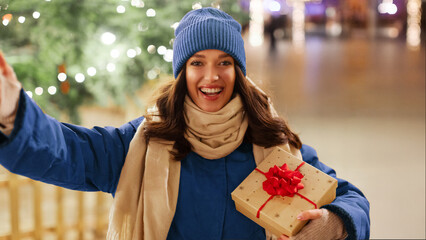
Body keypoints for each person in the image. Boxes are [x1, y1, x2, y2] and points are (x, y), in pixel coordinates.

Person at [0, 7, 369, 240]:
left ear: (238, 71)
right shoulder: (141, 144)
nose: (212, 76)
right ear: (182, 72)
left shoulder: (272, 141)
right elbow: (65, 151)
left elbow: (350, 198)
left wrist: (333, 223)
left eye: (224, 62)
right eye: (197, 62)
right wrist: (12, 112)